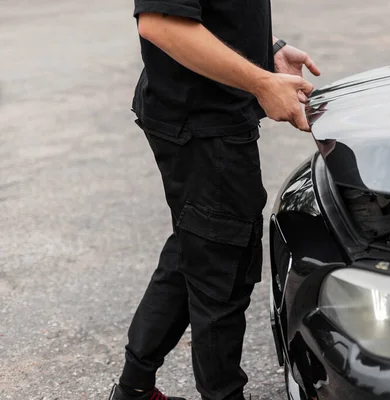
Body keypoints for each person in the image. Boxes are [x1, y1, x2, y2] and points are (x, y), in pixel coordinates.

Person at [108, 0, 321, 399]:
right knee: (221, 275)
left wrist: (267, 47)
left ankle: (134, 389)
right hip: (201, 122)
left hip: (207, 113)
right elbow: (161, 24)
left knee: (196, 249)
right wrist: (260, 82)